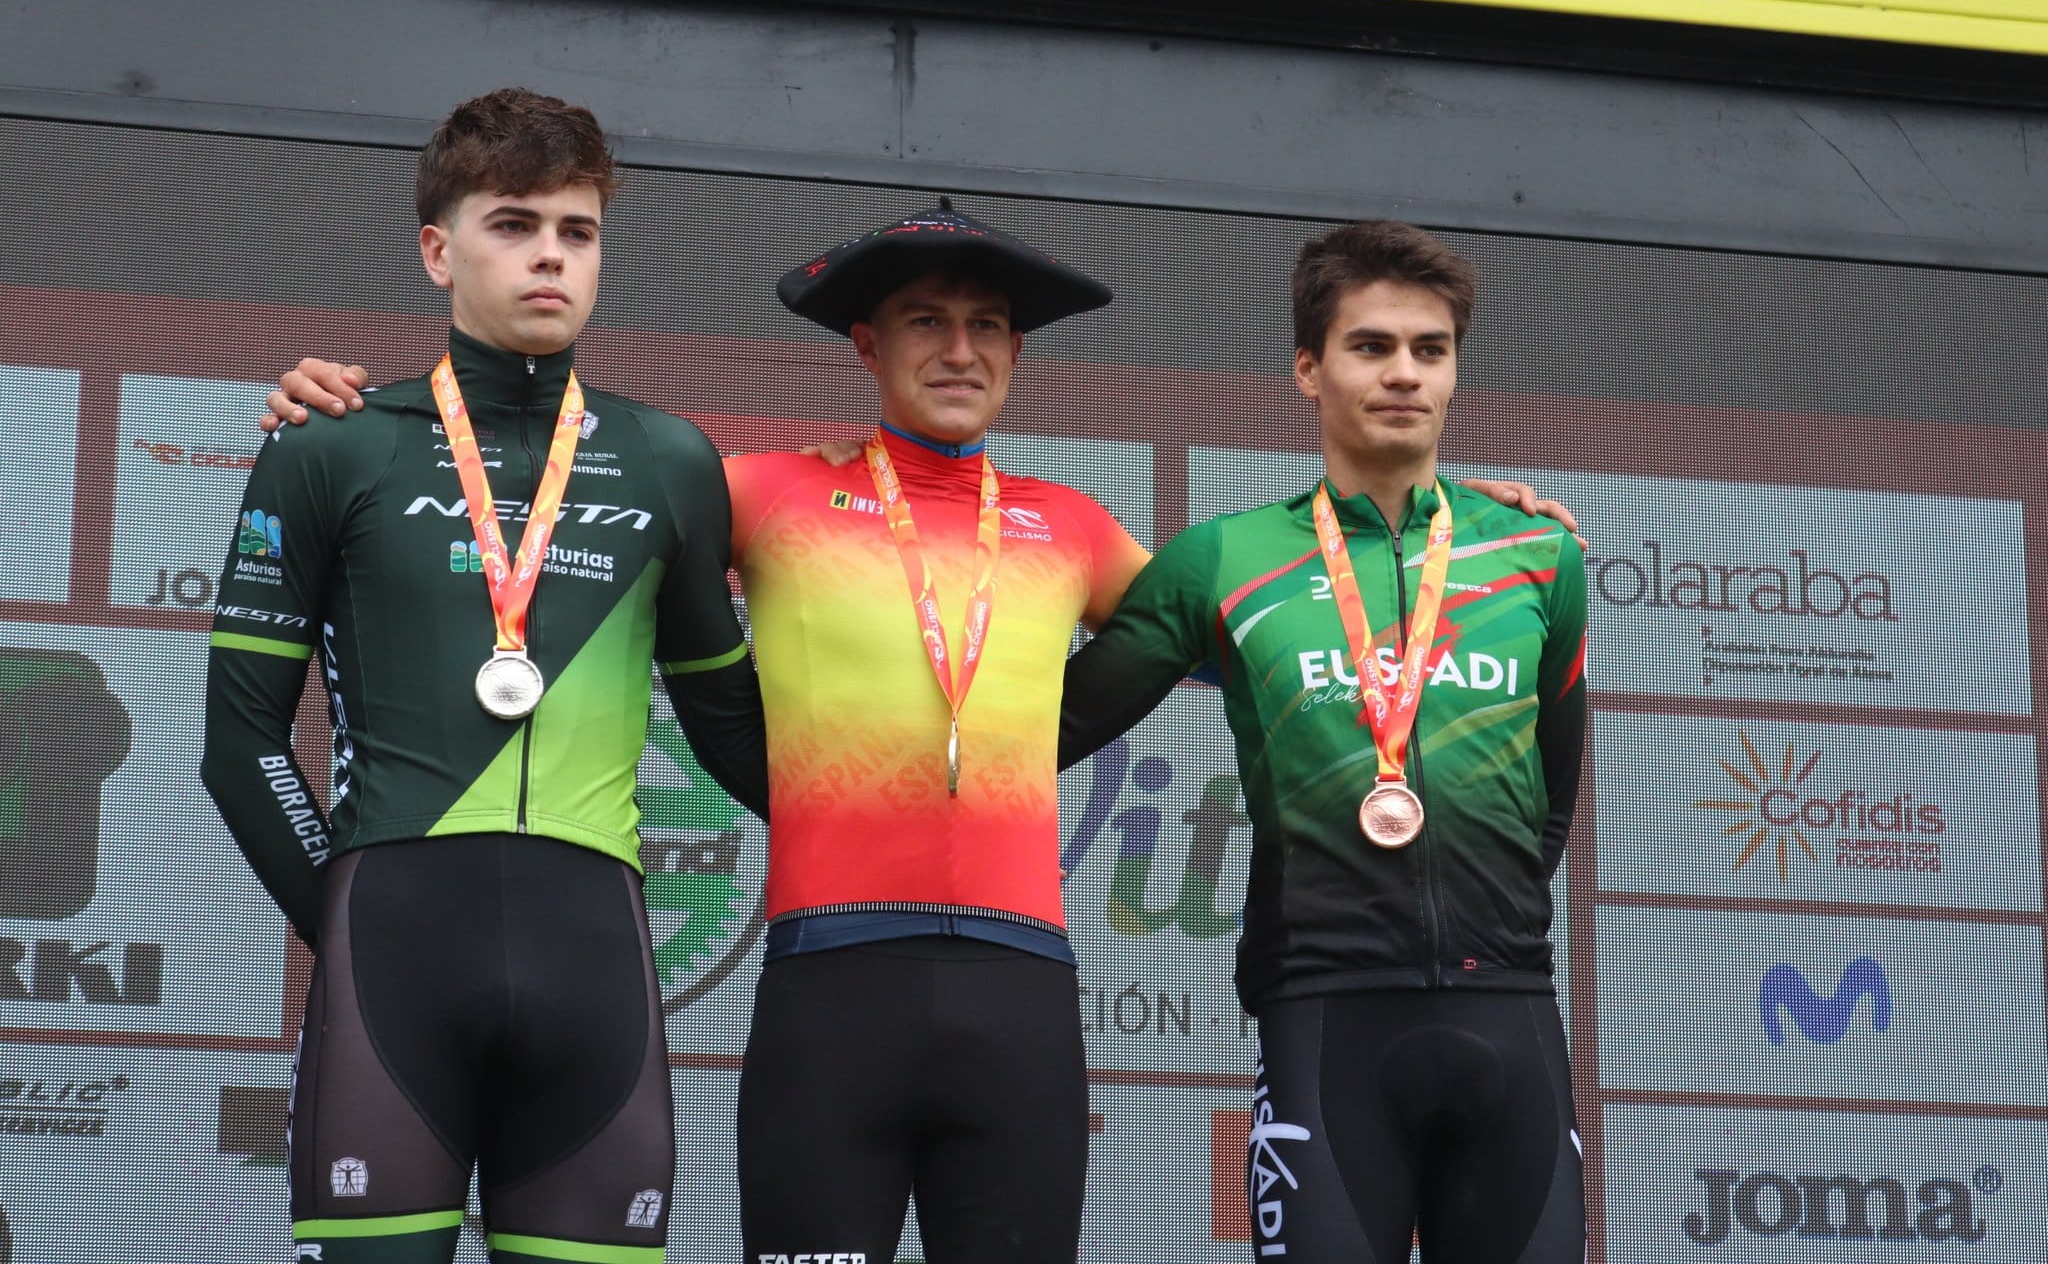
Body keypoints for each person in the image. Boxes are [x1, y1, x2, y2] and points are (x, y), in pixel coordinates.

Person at [263, 205, 1579, 1262]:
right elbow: (543, 495)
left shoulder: (1076, 528)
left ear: (1015, 351)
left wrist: (1476, 514)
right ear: (867, 346)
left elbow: (1302, 610)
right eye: (927, 322)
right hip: (833, 983)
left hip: (1021, 994)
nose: (961, 347)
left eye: (990, 325)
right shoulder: (756, 493)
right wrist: (338, 402)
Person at [202, 87, 767, 1264]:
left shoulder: (670, 461)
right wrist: (353, 924)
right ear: (436, 249)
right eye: (513, 224)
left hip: (596, 970)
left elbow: (737, 736)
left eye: (578, 230)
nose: (550, 256)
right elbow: (242, 741)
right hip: (391, 966)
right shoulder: (330, 442)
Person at [1057, 220, 1589, 1263]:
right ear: (1308, 368)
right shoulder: (1225, 559)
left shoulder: (1537, 555)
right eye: (1370, 346)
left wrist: (1490, 919)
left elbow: (1551, 794)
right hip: (1325, 1020)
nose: (1403, 374)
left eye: (1428, 351)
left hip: (1508, 1016)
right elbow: (1047, 728)